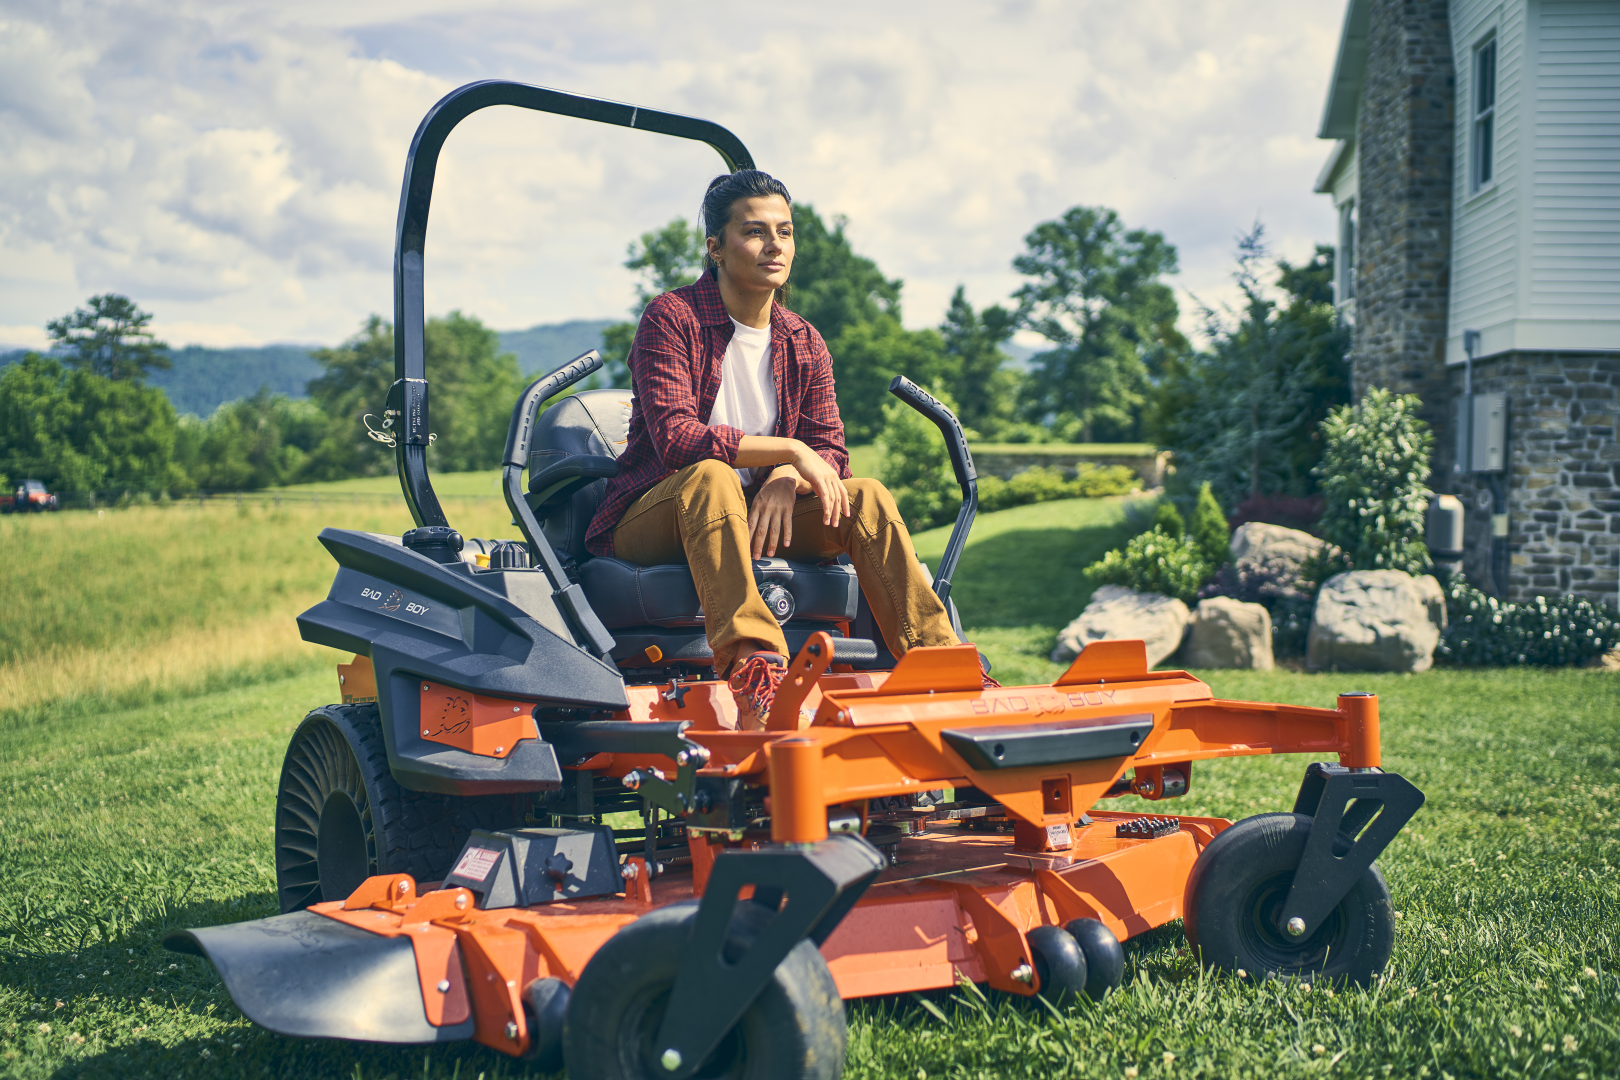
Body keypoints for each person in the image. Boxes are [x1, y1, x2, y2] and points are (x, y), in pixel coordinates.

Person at [584, 170, 966, 728]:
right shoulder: (672, 319)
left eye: (784, 232)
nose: (774, 246)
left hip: (758, 513)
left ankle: (941, 663)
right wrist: (788, 451)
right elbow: (676, 439)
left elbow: (830, 452)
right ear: (715, 247)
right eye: (755, 231)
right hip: (655, 515)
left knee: (867, 497)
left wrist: (789, 478)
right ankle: (756, 672)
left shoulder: (803, 340)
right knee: (710, 475)